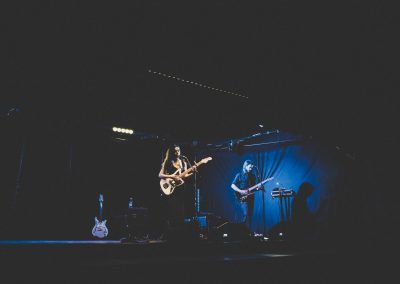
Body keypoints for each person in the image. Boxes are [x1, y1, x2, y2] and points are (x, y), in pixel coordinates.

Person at [158, 144, 195, 236]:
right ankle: (170, 233)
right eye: (175, 151)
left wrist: (192, 172)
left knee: (180, 211)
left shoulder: (183, 162)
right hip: (171, 188)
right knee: (172, 211)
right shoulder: (168, 162)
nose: (177, 152)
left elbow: (184, 175)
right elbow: (160, 175)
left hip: (180, 188)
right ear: (171, 152)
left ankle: (179, 233)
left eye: (178, 150)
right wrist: (171, 176)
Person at [231, 160, 260, 231]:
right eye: (250, 167)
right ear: (245, 166)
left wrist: (258, 188)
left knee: (250, 215)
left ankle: (248, 232)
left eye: (252, 168)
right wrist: (240, 191)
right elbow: (232, 185)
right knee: (246, 214)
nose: (251, 169)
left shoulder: (253, 176)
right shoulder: (239, 175)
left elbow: (254, 188)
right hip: (242, 198)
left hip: (251, 197)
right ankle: (242, 232)